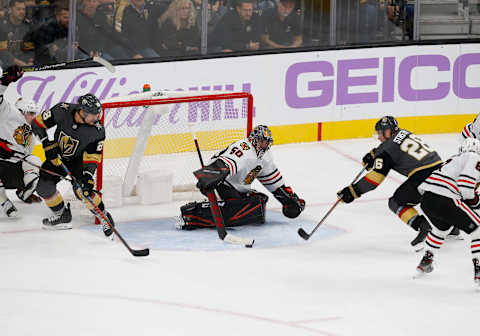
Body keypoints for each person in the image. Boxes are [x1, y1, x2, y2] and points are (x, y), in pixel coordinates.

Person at [337, 116, 443, 248]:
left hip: (423, 175)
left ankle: (423, 226)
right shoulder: (404, 132)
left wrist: (353, 192)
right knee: (433, 198)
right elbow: (395, 147)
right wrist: (375, 154)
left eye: (380, 133)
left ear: (388, 131)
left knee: (396, 202)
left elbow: (375, 179)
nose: (379, 137)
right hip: (441, 169)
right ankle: (452, 228)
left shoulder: (386, 151)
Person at [178, 125, 305, 230]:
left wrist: (288, 199)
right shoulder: (243, 147)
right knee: (235, 210)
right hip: (220, 183)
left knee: (258, 204)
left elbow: (273, 182)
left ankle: (222, 210)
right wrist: (209, 177)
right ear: (254, 139)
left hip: (237, 188)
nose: (264, 145)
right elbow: (226, 163)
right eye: (261, 141)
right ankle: (192, 215)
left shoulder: (266, 157)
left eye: (266, 142)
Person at [31, 92, 115, 236]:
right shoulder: (62, 110)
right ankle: (62, 215)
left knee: (83, 191)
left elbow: (93, 156)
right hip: (56, 156)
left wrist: (88, 175)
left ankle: (104, 215)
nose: (97, 119)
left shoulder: (97, 131)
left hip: (78, 161)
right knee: (43, 187)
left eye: (98, 115)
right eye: (93, 115)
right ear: (82, 112)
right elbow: (37, 124)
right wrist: (46, 144)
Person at [415, 137, 480, 284]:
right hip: (445, 199)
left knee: (441, 230)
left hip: (427, 200)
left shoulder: (453, 159)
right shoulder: (474, 157)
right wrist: (476, 202)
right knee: (478, 230)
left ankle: (426, 261)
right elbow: (465, 187)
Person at [0, 65, 42, 218]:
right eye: (31, 113)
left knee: (34, 161)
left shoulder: (30, 131)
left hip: (13, 168)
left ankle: (24, 193)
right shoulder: (7, 112)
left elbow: (26, 157)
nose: (33, 116)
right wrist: (6, 81)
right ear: (22, 111)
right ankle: (4, 202)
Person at [0, 0, 35, 68]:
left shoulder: (28, 26)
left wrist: (30, 62)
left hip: (25, 62)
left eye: (23, 9)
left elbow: (30, 48)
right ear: (10, 9)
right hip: (6, 63)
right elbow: (2, 51)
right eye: (18, 9)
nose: (22, 12)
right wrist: (20, 63)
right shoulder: (2, 25)